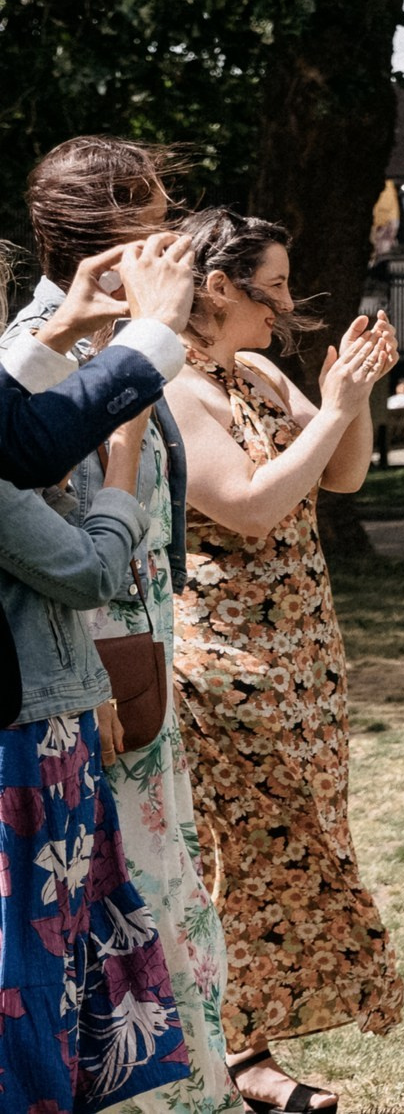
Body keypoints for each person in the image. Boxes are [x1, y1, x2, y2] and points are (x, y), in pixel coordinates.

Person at [3, 143, 251, 1114]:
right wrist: (104, 671)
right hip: (81, 681)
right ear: (111, 236)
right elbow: (51, 528)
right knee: (105, 930)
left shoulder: (94, 334)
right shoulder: (58, 347)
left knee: (165, 904)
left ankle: (205, 1093)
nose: (178, 237)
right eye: (158, 217)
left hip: (132, 660)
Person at [164, 210, 404, 1111]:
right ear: (218, 287)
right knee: (245, 853)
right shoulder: (174, 389)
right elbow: (251, 506)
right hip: (225, 659)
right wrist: (334, 407)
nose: (287, 305)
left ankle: (240, 1046)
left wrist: (355, 394)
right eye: (274, 287)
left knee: (294, 844)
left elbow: (341, 474)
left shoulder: (258, 371)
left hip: (303, 649)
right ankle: (235, 1052)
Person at [0, 386, 197, 1111]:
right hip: (28, 735)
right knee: (34, 970)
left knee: (67, 956)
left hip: (53, 718)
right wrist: (125, 448)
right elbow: (89, 571)